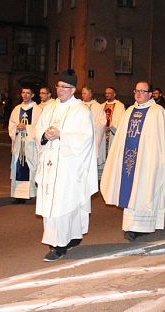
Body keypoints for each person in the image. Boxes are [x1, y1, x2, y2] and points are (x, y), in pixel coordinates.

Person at [34, 70, 98, 261]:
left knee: (65, 203)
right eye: (58, 86)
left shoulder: (81, 111)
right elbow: (38, 130)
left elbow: (86, 138)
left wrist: (61, 135)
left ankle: (60, 245)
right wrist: (45, 136)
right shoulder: (49, 108)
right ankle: (59, 240)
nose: (60, 90)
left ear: (73, 90)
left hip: (69, 166)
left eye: (64, 87)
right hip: (49, 163)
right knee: (52, 203)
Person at [100, 81, 165, 241]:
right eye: (136, 91)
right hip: (130, 160)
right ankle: (131, 227)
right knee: (131, 191)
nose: (139, 94)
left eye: (143, 91)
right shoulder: (129, 111)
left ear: (150, 94)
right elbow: (120, 138)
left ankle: (144, 226)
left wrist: (156, 160)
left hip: (148, 161)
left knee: (145, 188)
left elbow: (162, 141)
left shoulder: (157, 112)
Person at [8, 87, 42, 204]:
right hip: (19, 143)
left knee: (30, 167)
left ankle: (30, 193)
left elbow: (40, 127)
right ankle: (18, 194)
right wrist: (16, 128)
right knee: (17, 166)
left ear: (32, 95)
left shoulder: (38, 110)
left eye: (28, 93)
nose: (25, 95)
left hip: (30, 145)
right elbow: (11, 125)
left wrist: (27, 127)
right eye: (23, 92)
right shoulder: (17, 109)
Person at [99, 87, 125, 166]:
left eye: (109, 93)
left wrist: (111, 126)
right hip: (103, 134)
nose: (107, 95)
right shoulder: (101, 105)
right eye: (106, 93)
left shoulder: (120, 106)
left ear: (114, 94)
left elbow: (121, 120)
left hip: (112, 134)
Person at [81, 87, 107, 162]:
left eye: (85, 93)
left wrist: (91, 125)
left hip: (93, 136)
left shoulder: (97, 106)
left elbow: (102, 122)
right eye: (82, 93)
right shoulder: (79, 105)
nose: (83, 95)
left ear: (90, 94)